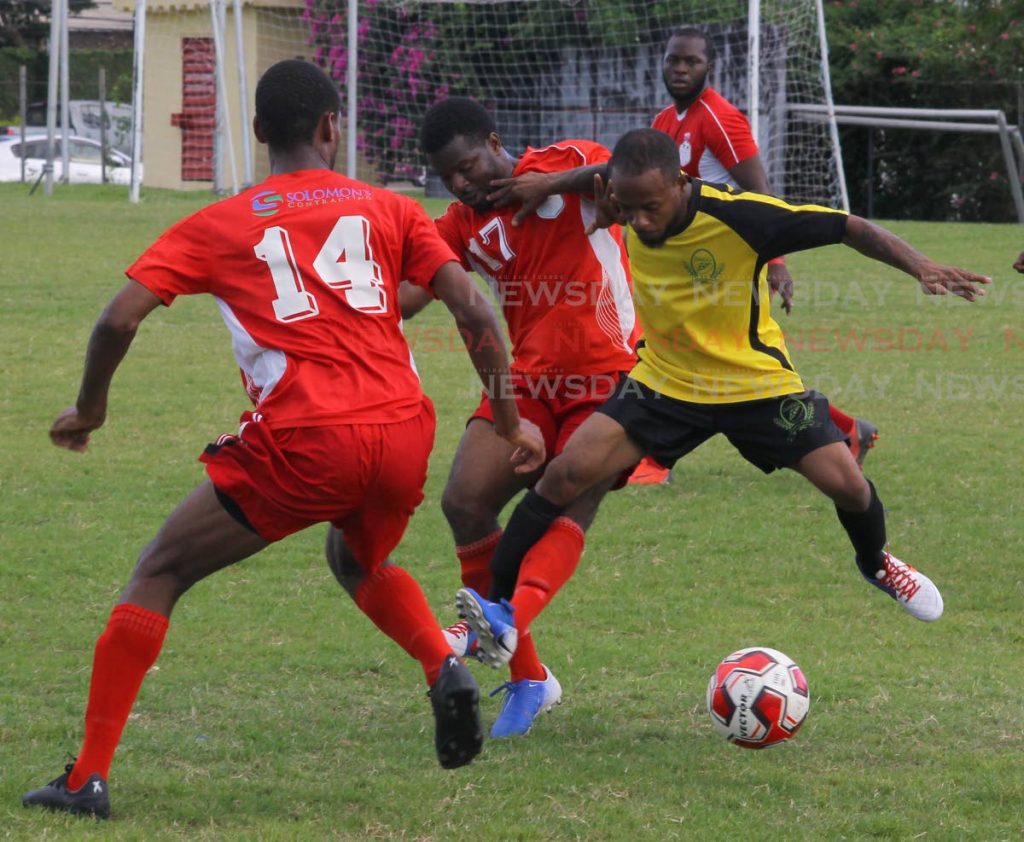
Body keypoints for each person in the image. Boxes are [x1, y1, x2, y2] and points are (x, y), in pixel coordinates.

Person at [22, 60, 546, 819]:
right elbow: (471, 309)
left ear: (261, 131)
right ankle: (442, 665)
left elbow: (118, 318)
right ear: (333, 127)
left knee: (160, 571)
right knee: (357, 556)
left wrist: (90, 410)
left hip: (308, 438)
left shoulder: (222, 222)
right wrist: (507, 422)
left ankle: (85, 781)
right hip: (403, 431)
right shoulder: (390, 208)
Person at [458, 128, 990, 670]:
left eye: (650, 208)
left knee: (849, 486)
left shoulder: (741, 215)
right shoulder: (623, 193)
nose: (638, 221)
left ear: (680, 184)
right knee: (565, 475)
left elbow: (846, 226)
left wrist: (920, 265)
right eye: (629, 208)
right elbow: (594, 177)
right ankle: (496, 607)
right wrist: (544, 183)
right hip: (664, 381)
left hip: (754, 383)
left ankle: (876, 562)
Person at [329, 97, 640, 740]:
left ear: (496, 141)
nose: (464, 184)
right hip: (526, 380)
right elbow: (415, 292)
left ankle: (497, 622)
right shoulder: (462, 224)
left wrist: (549, 184)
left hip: (608, 376)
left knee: (567, 500)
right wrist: (360, 299)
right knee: (465, 502)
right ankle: (530, 677)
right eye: (450, 178)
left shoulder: (565, 164)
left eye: (469, 166)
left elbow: (631, 168)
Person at [651, 26, 878, 476]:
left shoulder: (719, 118)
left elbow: (762, 192)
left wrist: (776, 262)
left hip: (733, 262)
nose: (680, 68)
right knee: (703, 359)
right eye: (674, 59)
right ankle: (848, 430)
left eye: (690, 61)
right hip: (690, 268)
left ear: (708, 67)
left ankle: (651, 453)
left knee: (746, 371)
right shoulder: (664, 121)